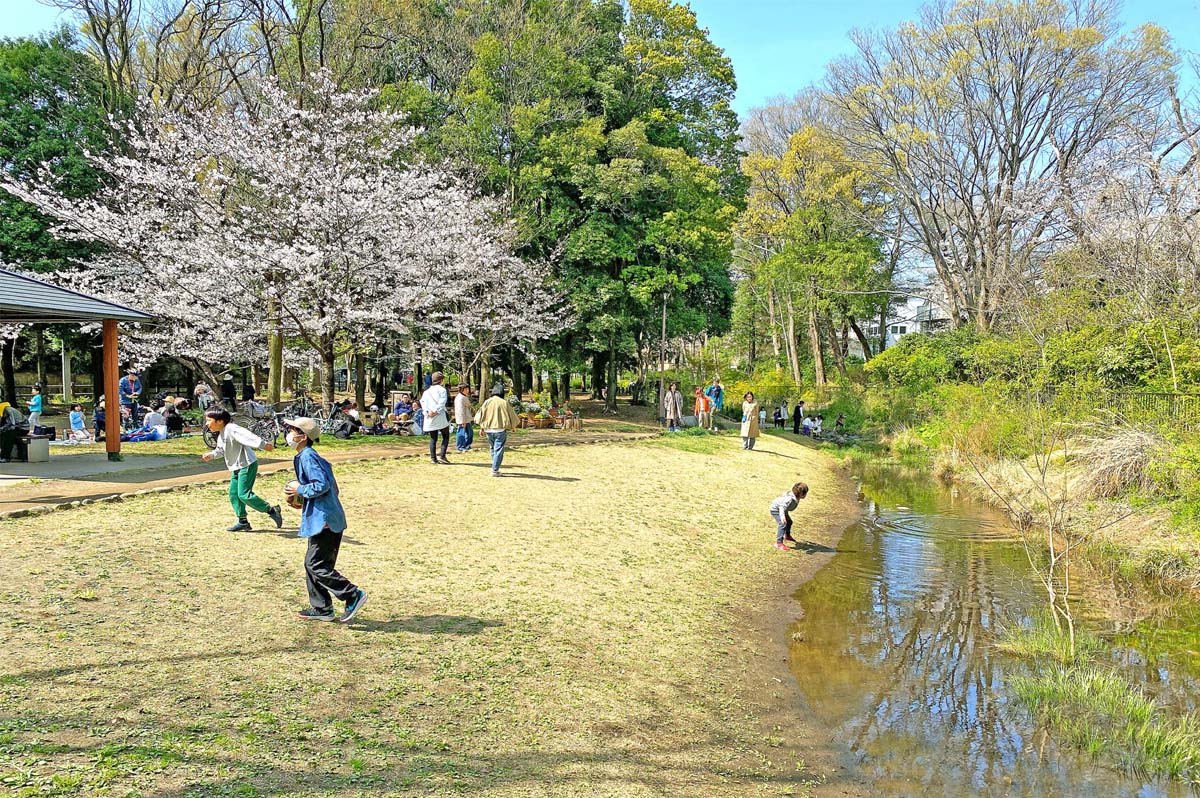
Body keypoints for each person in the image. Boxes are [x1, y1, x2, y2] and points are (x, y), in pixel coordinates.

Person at [283, 417, 368, 623]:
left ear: (303, 437)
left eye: (293, 430)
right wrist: (303, 501)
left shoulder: (308, 456)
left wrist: (299, 490)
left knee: (316, 564)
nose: (289, 433)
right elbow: (329, 488)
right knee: (312, 564)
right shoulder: (307, 455)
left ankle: (352, 594)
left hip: (326, 521)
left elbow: (321, 485)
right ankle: (322, 608)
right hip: (323, 518)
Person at [201, 407, 282, 532]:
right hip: (236, 467)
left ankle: (271, 510)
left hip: (247, 464)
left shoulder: (232, 428)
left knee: (244, 494)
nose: (207, 424)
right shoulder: (222, 433)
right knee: (234, 494)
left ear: (220, 421)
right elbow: (221, 449)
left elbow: (247, 436)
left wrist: (264, 445)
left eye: (209, 420)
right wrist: (211, 455)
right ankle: (243, 522)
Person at [475, 382, 519, 476]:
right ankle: (495, 469)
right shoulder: (504, 403)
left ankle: (495, 466)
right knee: (498, 449)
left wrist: (481, 428)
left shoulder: (487, 402)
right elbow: (512, 416)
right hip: (500, 430)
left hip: (488, 430)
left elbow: (481, 415)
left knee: (493, 448)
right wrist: (513, 427)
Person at [420, 371, 451, 464]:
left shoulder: (426, 392)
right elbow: (442, 402)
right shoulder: (442, 390)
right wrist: (436, 411)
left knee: (433, 438)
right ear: (441, 380)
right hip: (440, 416)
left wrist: (427, 412)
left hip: (429, 417)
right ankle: (442, 455)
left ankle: (433, 458)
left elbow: (422, 403)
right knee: (445, 436)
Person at [770, 482, 809, 551]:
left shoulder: (794, 496)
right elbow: (782, 507)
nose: (806, 495)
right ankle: (778, 543)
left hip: (783, 510)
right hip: (776, 509)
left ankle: (787, 535)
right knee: (783, 524)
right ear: (801, 494)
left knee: (789, 522)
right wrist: (782, 517)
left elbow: (786, 494)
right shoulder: (790, 499)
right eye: (805, 493)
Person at [454, 384, 474, 453]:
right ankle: (460, 446)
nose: (467, 391)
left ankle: (467, 445)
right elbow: (460, 410)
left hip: (466, 418)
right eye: (466, 389)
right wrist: (463, 420)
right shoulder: (460, 398)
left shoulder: (463, 397)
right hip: (463, 419)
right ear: (462, 390)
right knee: (461, 433)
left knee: (469, 433)